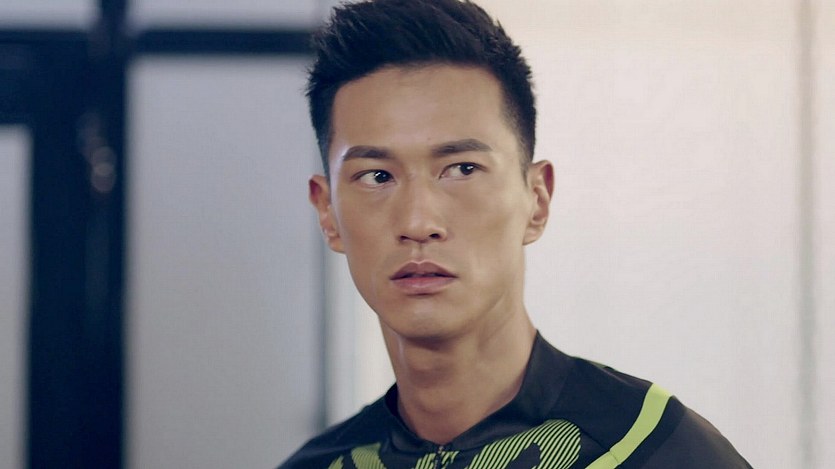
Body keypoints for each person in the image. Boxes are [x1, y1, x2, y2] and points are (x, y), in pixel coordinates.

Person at [280, 0, 752, 467]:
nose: (418, 223)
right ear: (328, 213)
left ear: (537, 199)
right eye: (377, 176)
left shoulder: (654, 449)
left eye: (462, 169)